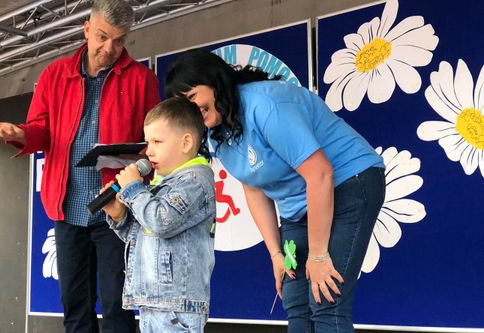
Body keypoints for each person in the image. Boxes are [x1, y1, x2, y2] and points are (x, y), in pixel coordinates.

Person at [164, 49, 386, 333]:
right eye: (182, 103)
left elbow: (320, 173)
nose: (191, 108)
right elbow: (254, 189)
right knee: (295, 300)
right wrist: (276, 255)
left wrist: (318, 256)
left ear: (214, 81)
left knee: (326, 298)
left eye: (193, 96)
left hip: (349, 181)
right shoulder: (216, 132)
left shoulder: (265, 104)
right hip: (299, 203)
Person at [0, 0, 160, 333]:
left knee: (118, 307)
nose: (109, 48)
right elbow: (41, 131)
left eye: (119, 41)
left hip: (117, 209)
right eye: (102, 37)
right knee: (74, 307)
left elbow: (154, 144)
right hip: (67, 208)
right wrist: (20, 133)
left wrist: (139, 163)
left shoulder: (142, 80)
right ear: (86, 28)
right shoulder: (54, 74)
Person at [102, 97, 216, 333]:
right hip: (154, 302)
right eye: (147, 142)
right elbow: (144, 234)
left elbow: (161, 222)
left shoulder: (194, 181)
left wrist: (134, 189)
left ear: (186, 143)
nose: (149, 151)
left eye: (157, 142)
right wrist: (120, 217)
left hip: (177, 306)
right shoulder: (162, 182)